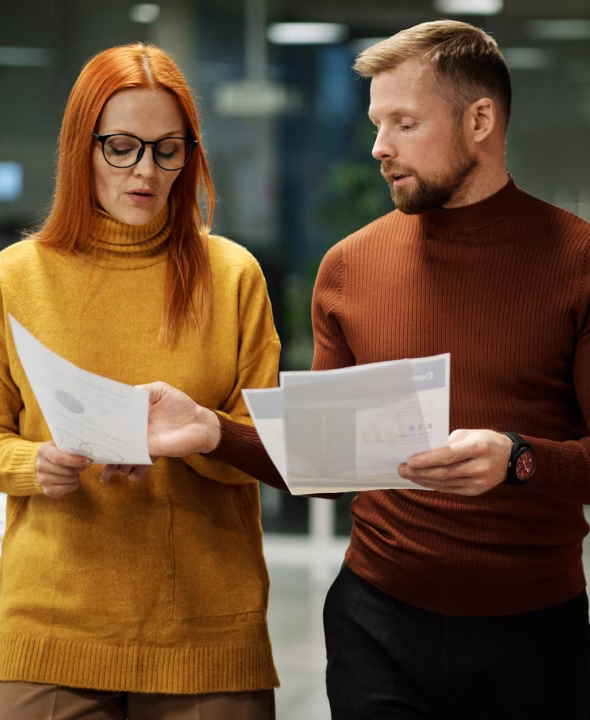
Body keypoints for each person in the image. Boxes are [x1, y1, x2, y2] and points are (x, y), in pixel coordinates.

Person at [135, 20, 590, 720]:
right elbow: (327, 468)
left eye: (404, 123)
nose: (379, 148)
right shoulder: (349, 267)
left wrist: (519, 461)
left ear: (480, 120)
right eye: (378, 123)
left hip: (535, 634)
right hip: (376, 625)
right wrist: (211, 431)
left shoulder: (577, 261)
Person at [0, 43, 280, 719]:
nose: (146, 171)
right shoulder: (16, 277)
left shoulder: (233, 275)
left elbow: (274, 452)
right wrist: (37, 464)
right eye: (121, 147)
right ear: (80, 147)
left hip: (206, 627)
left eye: (168, 149)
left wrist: (208, 435)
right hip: (51, 624)